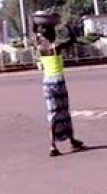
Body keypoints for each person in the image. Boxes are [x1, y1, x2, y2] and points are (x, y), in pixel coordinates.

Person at [34, 17, 85, 157]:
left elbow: (35, 33)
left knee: (53, 114)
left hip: (47, 82)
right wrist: (68, 27)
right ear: (54, 36)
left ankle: (53, 145)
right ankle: (72, 140)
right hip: (58, 81)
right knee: (64, 111)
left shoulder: (40, 48)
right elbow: (72, 39)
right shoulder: (55, 47)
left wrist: (36, 24)